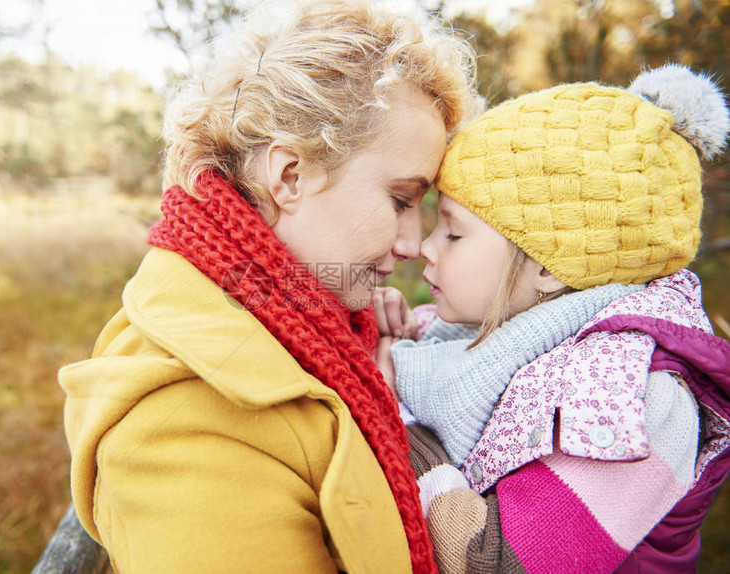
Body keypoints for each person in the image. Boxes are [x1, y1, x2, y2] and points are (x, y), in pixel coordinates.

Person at [60, 1, 479, 572]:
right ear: (289, 175)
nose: (412, 242)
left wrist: (357, 337)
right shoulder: (188, 422)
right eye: (401, 200)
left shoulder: (309, 322)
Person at [377, 64, 730, 573]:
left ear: (546, 264)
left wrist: (391, 414)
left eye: (452, 233)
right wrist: (396, 330)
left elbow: (492, 562)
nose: (424, 248)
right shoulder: (507, 330)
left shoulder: (639, 403)